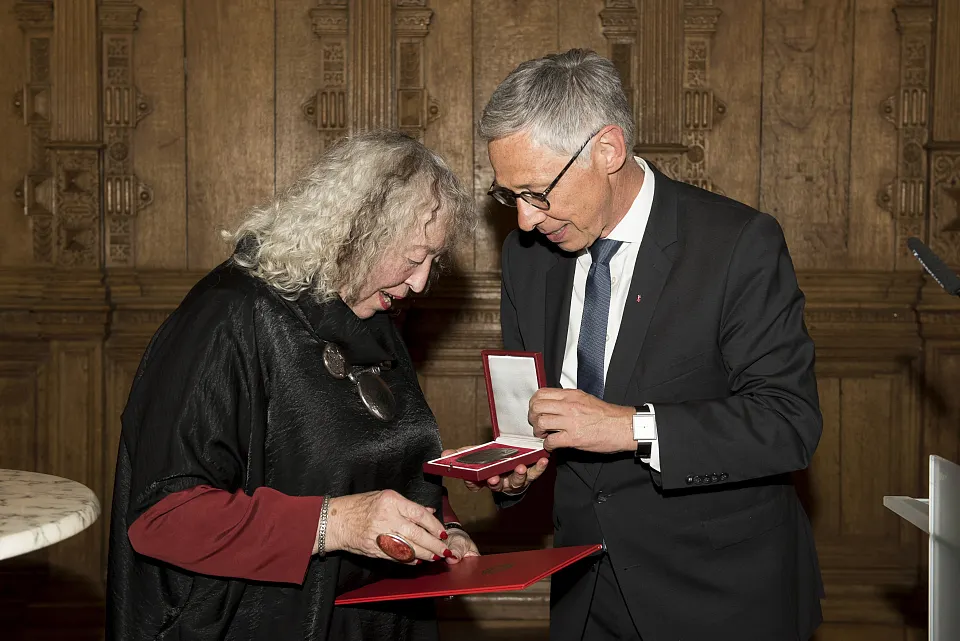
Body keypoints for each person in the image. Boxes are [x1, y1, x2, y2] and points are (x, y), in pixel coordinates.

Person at [463, 48, 824, 641]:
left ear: (608, 150)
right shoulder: (527, 258)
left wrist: (632, 428)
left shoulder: (735, 245)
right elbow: (539, 409)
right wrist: (520, 465)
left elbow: (788, 424)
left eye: (536, 192)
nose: (525, 221)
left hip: (720, 596)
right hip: (586, 592)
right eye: (510, 197)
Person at [106, 130, 480, 641]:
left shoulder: (371, 310)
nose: (420, 281)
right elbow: (164, 517)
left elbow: (385, 458)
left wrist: (444, 530)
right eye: (415, 256)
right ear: (357, 232)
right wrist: (335, 524)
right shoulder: (229, 316)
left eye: (433, 262)